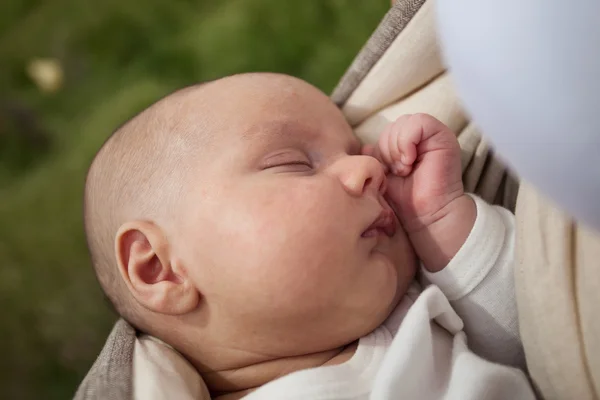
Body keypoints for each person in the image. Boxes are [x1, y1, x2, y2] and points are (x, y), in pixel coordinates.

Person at [83, 72, 534, 399]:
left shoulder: (417, 305)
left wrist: (438, 220)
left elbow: (546, 333)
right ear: (159, 268)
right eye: (294, 162)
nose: (370, 167)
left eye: (354, 150)